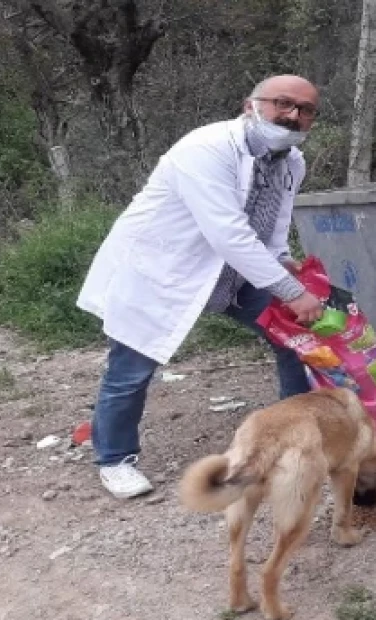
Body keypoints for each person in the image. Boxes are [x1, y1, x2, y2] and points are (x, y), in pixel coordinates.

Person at [76, 74, 327, 499]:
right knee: (131, 369)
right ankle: (114, 460)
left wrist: (285, 264)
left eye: (305, 110)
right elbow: (227, 233)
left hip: (239, 270)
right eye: (283, 103)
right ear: (251, 104)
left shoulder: (292, 163)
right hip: (166, 269)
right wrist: (291, 291)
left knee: (293, 336)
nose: (293, 115)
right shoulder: (206, 149)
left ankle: (294, 431)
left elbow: (274, 227)